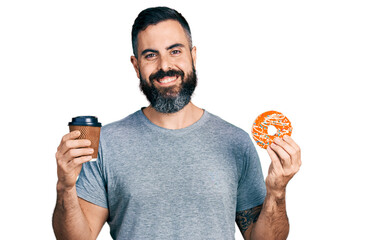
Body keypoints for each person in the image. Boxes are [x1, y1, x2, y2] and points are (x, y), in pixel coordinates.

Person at [52, 6, 301, 240]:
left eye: (175, 51)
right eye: (151, 55)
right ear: (136, 65)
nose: (165, 66)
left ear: (193, 55)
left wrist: (277, 192)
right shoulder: (106, 143)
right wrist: (65, 187)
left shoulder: (235, 142)